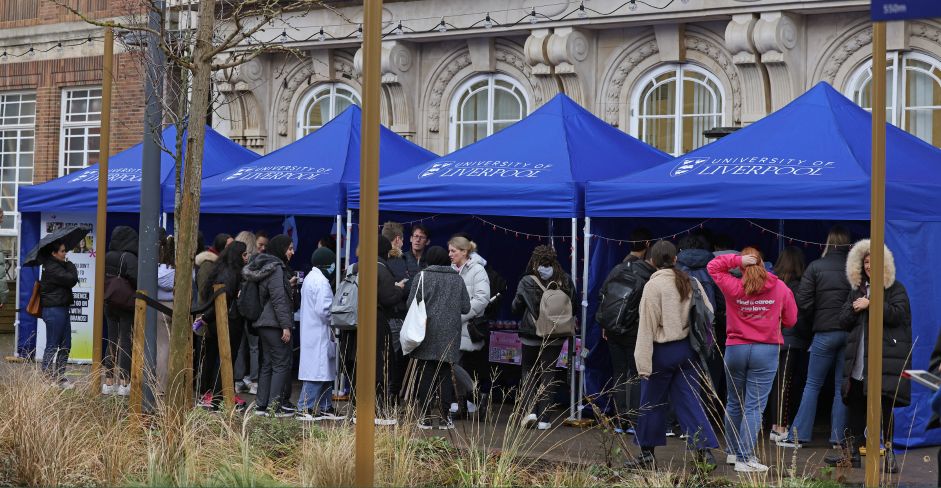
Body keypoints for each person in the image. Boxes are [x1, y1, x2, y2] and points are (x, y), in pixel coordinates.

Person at [626, 240, 718, 470]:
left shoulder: (653, 286)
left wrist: (643, 364)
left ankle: (647, 455)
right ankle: (704, 454)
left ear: (653, 261)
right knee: (690, 402)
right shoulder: (691, 281)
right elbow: (710, 312)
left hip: (662, 351)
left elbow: (646, 327)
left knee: (651, 403)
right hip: (688, 351)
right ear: (675, 259)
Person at [825, 239, 911, 473]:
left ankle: (890, 453)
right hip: (858, 360)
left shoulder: (896, 289)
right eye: (866, 261)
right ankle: (851, 454)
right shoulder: (856, 290)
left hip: (883, 360)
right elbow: (842, 320)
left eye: (874, 261)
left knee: (884, 408)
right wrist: (856, 306)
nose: (870, 265)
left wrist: (872, 304)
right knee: (854, 405)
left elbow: (899, 315)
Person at [708, 247, 797, 473]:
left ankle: (732, 451)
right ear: (762, 262)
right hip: (765, 350)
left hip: (735, 349)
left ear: (742, 265)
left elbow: (713, 266)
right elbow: (791, 319)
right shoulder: (780, 287)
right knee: (754, 407)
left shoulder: (734, 286)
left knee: (734, 402)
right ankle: (745, 457)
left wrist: (736, 259)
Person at [778, 226, 852, 449]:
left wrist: (815, 320)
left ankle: (798, 436)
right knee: (842, 387)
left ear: (828, 242)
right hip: (849, 333)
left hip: (823, 332)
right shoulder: (854, 269)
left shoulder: (816, 267)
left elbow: (803, 302)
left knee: (812, 385)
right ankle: (838, 439)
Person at [512, 245, 577, 430]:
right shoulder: (564, 279)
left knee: (529, 371)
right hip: (555, 335)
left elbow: (515, 308)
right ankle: (545, 419)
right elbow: (574, 306)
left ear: (534, 260)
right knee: (549, 372)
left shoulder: (526, 281)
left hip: (531, 333)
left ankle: (530, 411)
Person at [406, 246, 470, 429]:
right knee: (445, 374)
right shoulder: (457, 279)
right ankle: (444, 417)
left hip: (425, 332)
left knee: (426, 373)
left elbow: (411, 303)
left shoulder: (422, 277)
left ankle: (425, 417)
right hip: (449, 333)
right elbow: (466, 307)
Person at [598, 229, 654, 433]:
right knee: (636, 373)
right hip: (636, 331)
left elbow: (603, 295)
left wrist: (606, 325)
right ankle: (634, 420)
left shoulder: (618, 268)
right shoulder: (647, 272)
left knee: (619, 373)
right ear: (647, 244)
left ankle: (620, 420)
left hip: (613, 330)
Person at [242, 235, 296, 417]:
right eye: (289, 248)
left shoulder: (262, 266)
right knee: (281, 363)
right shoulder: (276, 268)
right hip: (274, 323)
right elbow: (279, 299)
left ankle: (261, 405)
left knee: (267, 363)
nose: (292, 252)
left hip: (262, 322)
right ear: (281, 248)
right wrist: (286, 326)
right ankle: (274, 407)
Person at [197, 241, 248, 409]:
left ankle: (217, 395)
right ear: (238, 256)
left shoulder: (220, 269)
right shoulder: (231, 273)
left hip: (218, 320)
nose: (247, 258)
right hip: (228, 321)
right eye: (245, 254)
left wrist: (205, 317)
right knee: (225, 358)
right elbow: (222, 300)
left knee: (216, 357)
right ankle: (219, 397)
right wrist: (206, 317)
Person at [767, 246, 810, 440]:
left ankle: (775, 425)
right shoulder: (800, 286)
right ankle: (780, 428)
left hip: (770, 339)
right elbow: (800, 316)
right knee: (785, 385)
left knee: (773, 384)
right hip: (791, 340)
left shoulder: (771, 284)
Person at [296, 249, 342, 421]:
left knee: (324, 371)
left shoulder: (310, 278)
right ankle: (304, 407)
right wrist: (337, 318)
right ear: (327, 263)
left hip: (313, 331)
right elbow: (324, 309)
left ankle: (325, 406)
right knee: (317, 371)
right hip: (319, 331)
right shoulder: (321, 282)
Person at [448, 236, 490, 415]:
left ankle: (474, 398)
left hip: (468, 327)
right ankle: (466, 403)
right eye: (449, 251)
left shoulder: (478, 270)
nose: (449, 254)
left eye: (453, 251)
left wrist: (461, 316)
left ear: (464, 252)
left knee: (456, 364)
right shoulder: (451, 270)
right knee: (454, 365)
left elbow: (482, 298)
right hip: (452, 326)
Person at [103, 225, 139, 396]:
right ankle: (124, 383)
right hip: (126, 304)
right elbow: (136, 279)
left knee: (111, 339)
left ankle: (108, 382)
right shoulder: (130, 257)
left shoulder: (107, 256)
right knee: (125, 340)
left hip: (109, 303)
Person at [39, 240, 78, 388]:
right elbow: (71, 279)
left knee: (66, 345)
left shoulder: (57, 265)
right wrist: (70, 265)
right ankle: (47, 379)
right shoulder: (52, 267)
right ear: (54, 253)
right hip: (54, 310)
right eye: (62, 251)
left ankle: (60, 377)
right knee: (53, 345)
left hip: (62, 308)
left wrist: (66, 264)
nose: (65, 253)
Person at [233, 231, 259, 395]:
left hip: (236, 308)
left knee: (239, 344)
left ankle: (237, 379)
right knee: (254, 346)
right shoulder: (256, 262)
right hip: (252, 308)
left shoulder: (235, 262)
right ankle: (255, 381)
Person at [156, 235, 176, 395]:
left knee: (162, 347)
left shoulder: (157, 269)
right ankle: (176, 385)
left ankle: (161, 387)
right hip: (178, 308)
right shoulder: (184, 270)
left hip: (159, 307)